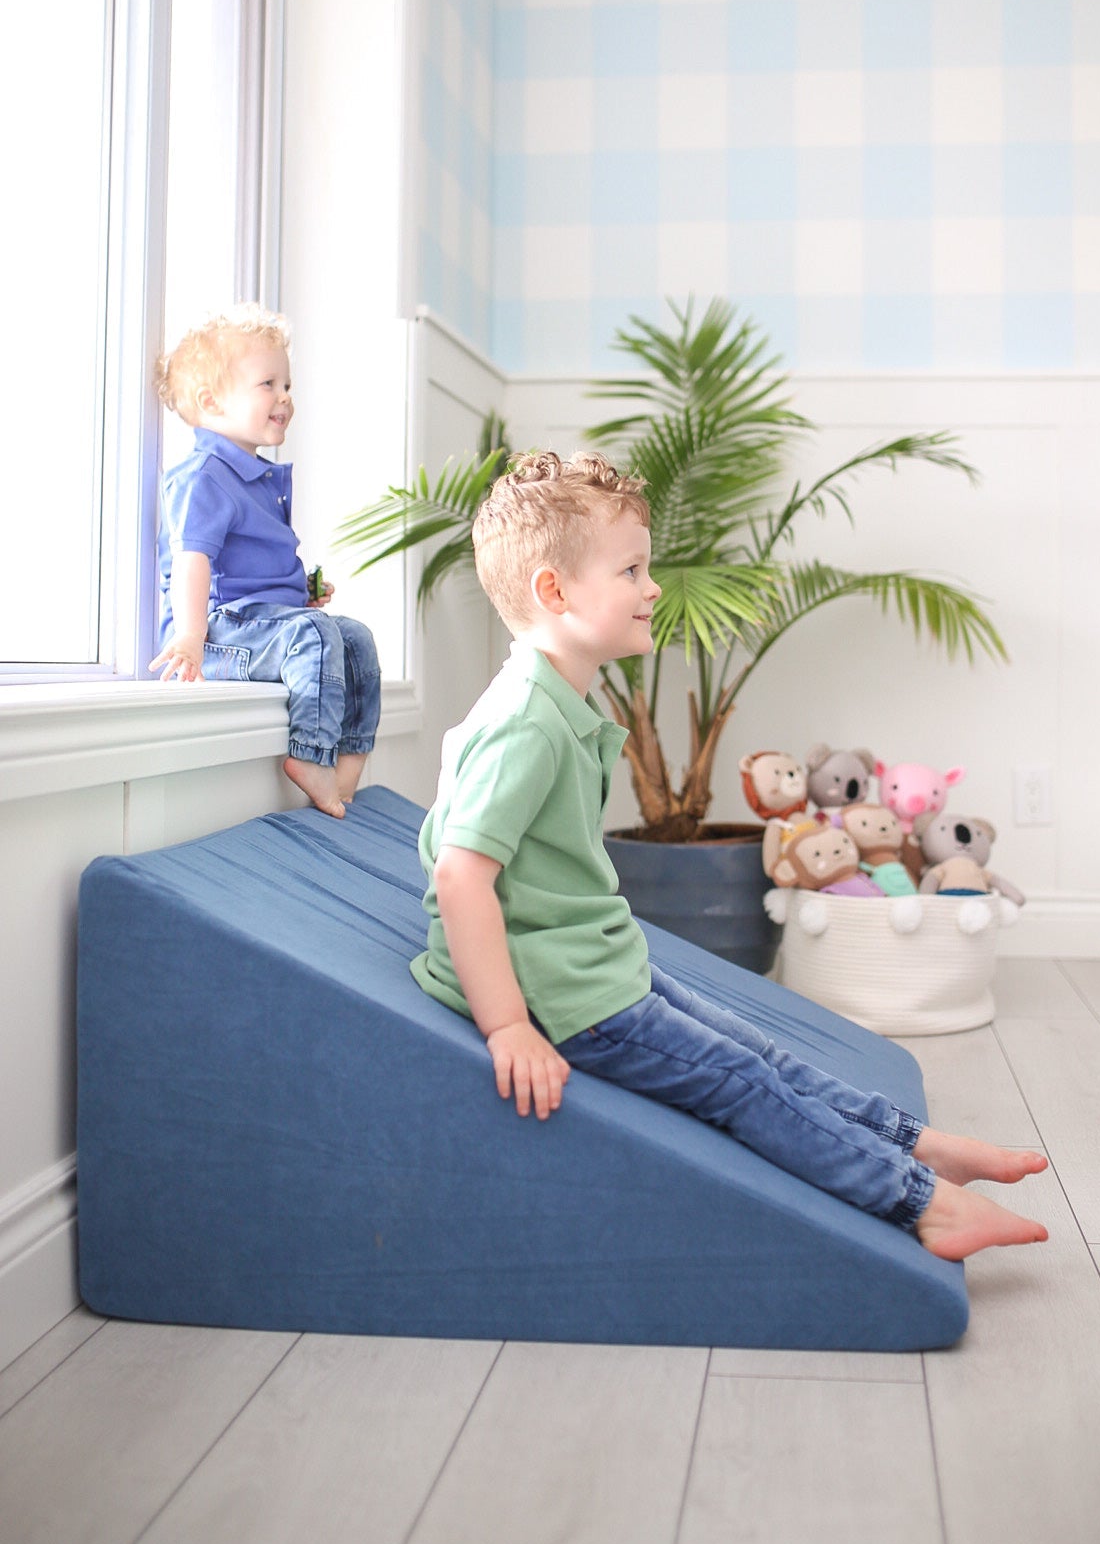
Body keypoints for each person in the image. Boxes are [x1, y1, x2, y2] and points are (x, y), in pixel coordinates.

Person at [411, 450, 1049, 1262]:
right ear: (554, 592)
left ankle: (913, 1146)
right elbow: (460, 873)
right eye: (632, 570)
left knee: (756, 1051)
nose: (653, 588)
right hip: (558, 996)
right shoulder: (523, 723)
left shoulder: (553, 699)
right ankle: (921, 1201)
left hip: (585, 965)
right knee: (741, 1083)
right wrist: (507, 1026)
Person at [151, 305, 380, 819]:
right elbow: (192, 560)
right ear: (211, 401)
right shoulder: (204, 474)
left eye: (287, 385)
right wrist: (189, 637)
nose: (285, 397)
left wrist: (301, 595)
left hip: (259, 624)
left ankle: (348, 764)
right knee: (315, 634)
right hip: (219, 631)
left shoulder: (255, 477)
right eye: (268, 384)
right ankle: (310, 757)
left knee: (355, 637)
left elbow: (261, 566)